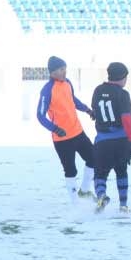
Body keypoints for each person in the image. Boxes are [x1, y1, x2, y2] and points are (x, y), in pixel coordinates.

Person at [37, 56, 95, 203]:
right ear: (53, 72)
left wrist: (87, 110)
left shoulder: (68, 83)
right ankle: (75, 203)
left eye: (65, 69)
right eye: (61, 69)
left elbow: (73, 100)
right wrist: (55, 129)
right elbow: (40, 115)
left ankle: (85, 190)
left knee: (94, 158)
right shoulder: (47, 90)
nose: (65, 72)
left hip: (78, 132)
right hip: (62, 139)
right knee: (70, 170)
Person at [90, 62, 131, 214]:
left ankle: (101, 196)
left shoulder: (98, 90)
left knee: (100, 174)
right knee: (121, 171)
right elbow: (127, 120)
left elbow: (95, 111)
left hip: (102, 141)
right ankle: (123, 205)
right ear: (122, 77)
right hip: (121, 141)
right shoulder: (123, 94)